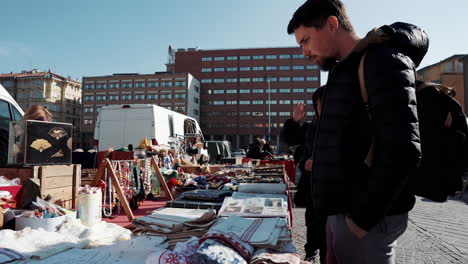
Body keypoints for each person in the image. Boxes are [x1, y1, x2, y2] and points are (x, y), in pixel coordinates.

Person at [287, 1, 426, 263]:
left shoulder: (381, 62)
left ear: (331, 24)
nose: (304, 52)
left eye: (305, 40)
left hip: (365, 223)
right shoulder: (347, 70)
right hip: (341, 213)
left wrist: (360, 221)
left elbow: (403, 150)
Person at [281, 86, 326, 263]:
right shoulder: (311, 126)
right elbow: (293, 142)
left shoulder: (343, 124)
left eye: (325, 104)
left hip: (335, 189)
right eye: (318, 104)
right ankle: (311, 251)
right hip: (312, 185)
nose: (321, 108)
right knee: (312, 222)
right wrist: (295, 121)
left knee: (330, 229)